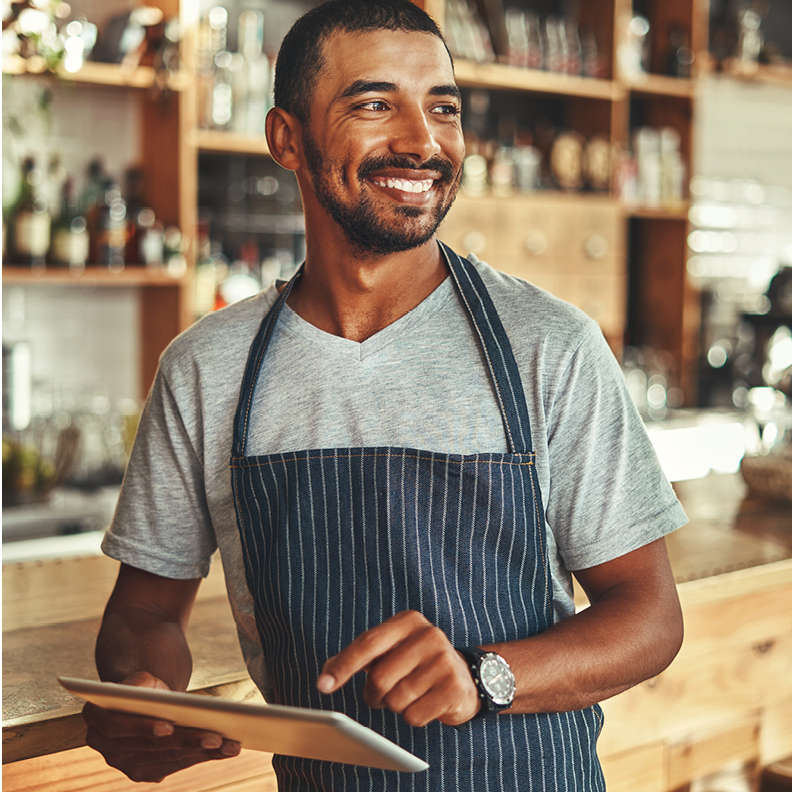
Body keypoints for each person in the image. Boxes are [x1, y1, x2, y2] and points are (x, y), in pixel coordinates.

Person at [83, 1, 687, 789]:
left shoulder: (548, 346)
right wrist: (141, 695)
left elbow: (649, 614)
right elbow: (145, 613)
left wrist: (483, 675)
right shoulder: (208, 369)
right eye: (375, 103)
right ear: (286, 138)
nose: (423, 140)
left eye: (443, 107)